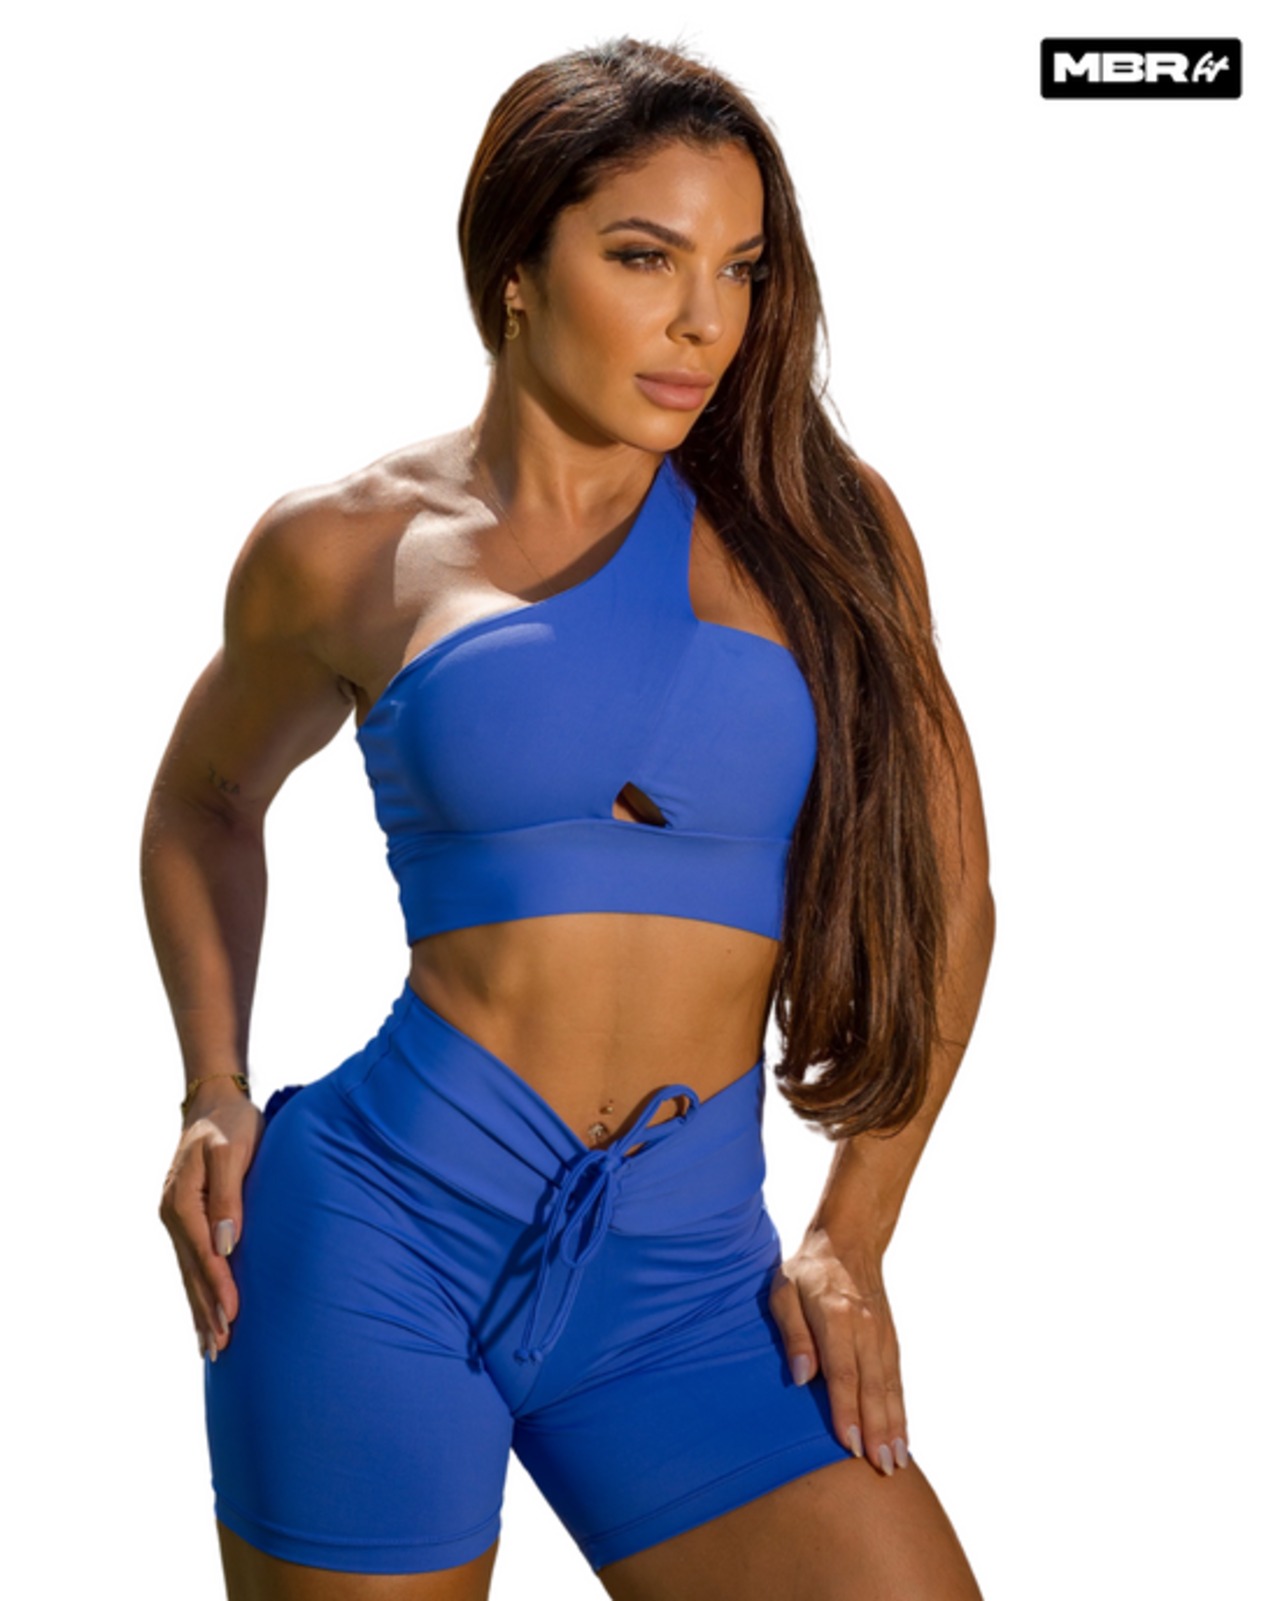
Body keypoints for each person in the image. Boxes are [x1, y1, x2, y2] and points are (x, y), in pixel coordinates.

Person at [144, 36, 995, 1601]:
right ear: (517, 268)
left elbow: (952, 895)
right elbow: (206, 801)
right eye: (644, 257)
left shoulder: (826, 528)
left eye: (741, 269)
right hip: (376, 1240)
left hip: (693, 1289)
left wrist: (855, 1232)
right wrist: (213, 1083)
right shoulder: (348, 549)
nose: (704, 321)